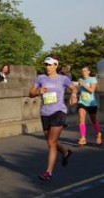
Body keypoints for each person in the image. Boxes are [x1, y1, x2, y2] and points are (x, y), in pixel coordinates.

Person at [29, 54, 78, 182]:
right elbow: (31, 93)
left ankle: (48, 172)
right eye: (45, 64)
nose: (47, 67)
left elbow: (74, 88)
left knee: (51, 143)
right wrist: (38, 92)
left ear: (56, 65)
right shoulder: (40, 78)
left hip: (59, 112)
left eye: (49, 64)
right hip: (45, 113)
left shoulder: (63, 79)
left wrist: (73, 94)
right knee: (52, 142)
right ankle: (65, 153)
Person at [77, 66, 102, 146]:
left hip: (91, 103)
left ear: (89, 72)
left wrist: (83, 84)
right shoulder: (81, 80)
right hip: (82, 102)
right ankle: (83, 138)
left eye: (85, 71)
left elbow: (91, 90)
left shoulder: (92, 79)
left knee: (93, 120)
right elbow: (79, 91)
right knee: (81, 119)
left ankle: (98, 134)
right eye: (82, 71)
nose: (83, 72)